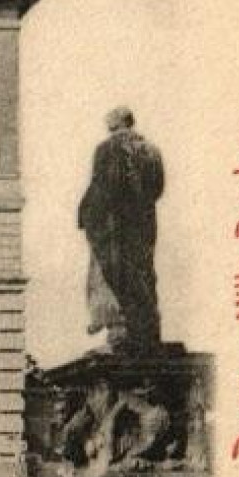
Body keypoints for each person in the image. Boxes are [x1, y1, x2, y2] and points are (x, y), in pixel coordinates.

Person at [77, 107, 164, 353]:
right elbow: (158, 188)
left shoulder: (107, 148)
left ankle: (121, 332)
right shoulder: (152, 151)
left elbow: (101, 187)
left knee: (111, 274)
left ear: (115, 123)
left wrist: (87, 216)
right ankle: (146, 331)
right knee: (144, 273)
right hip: (144, 222)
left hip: (112, 224)